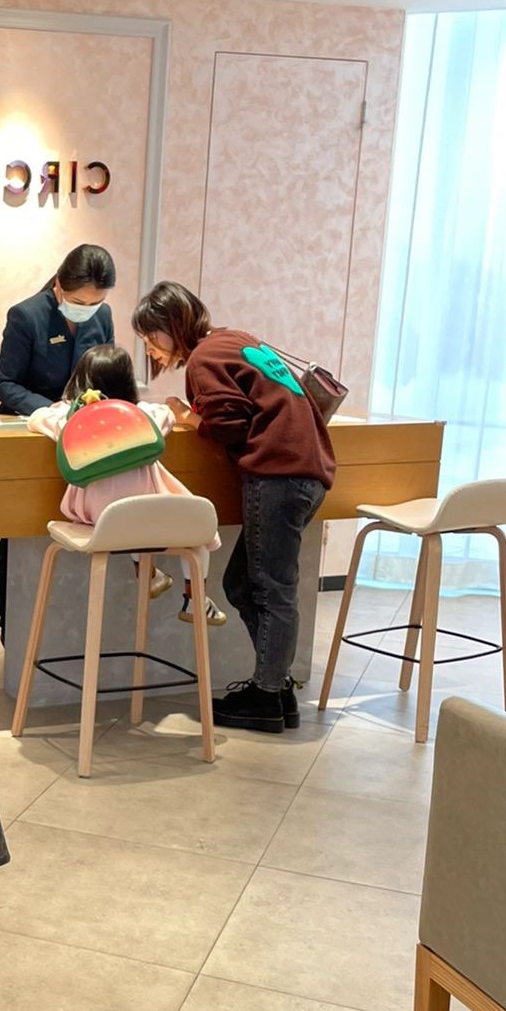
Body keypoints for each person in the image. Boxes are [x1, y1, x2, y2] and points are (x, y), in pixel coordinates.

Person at [132, 281, 336, 734]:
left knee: (271, 589)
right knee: (243, 583)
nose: (149, 348)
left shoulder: (204, 358)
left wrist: (187, 416)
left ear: (172, 325)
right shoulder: (237, 340)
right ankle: (276, 687)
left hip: (279, 474)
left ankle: (267, 696)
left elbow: (229, 424)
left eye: (150, 337)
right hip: (305, 472)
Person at [27, 344, 225, 625]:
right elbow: (167, 415)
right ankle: (196, 600)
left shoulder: (69, 420)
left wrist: (69, 408)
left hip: (98, 517)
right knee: (189, 527)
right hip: (144, 512)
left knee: (128, 517)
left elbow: (36, 418)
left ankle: (150, 576)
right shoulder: (143, 415)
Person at [0, 244, 118, 635]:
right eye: (79, 302)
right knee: (21, 528)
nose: (87, 310)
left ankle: (68, 627)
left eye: (95, 303)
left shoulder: (103, 317)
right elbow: (5, 384)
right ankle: (12, 625)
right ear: (60, 285)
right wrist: (53, 411)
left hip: (84, 440)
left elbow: (108, 373)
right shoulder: (26, 316)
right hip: (34, 434)